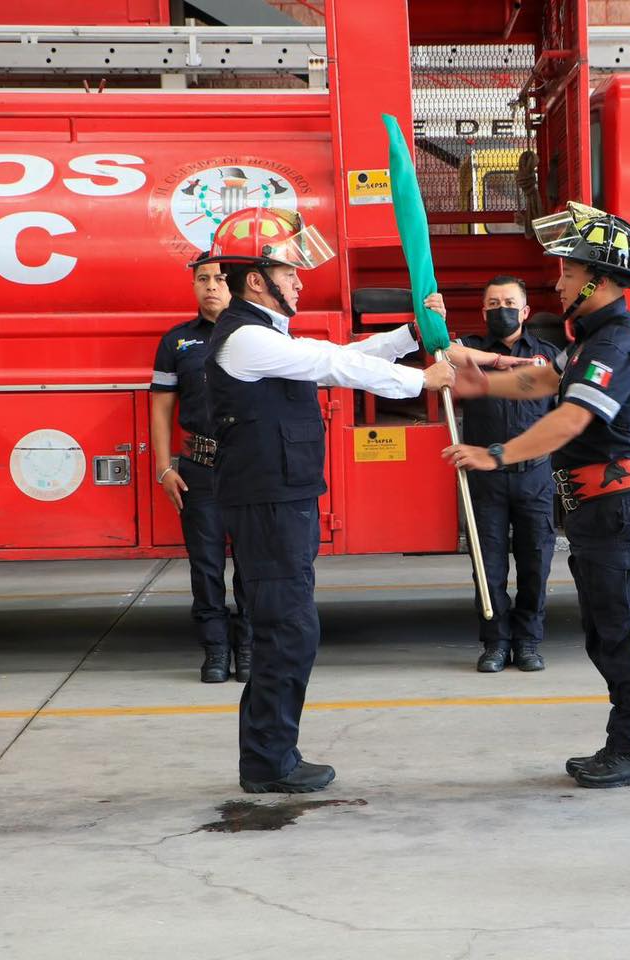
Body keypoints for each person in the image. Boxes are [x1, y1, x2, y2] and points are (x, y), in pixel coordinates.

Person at [196, 206, 455, 794]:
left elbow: (341, 352)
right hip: (268, 504)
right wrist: (421, 381)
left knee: (290, 627)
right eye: (290, 270)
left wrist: (411, 335)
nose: (300, 279)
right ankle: (268, 762)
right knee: (286, 629)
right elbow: (332, 363)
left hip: (282, 500)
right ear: (257, 279)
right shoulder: (247, 339)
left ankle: (273, 754)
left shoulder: (263, 334)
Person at [443, 202, 630, 788]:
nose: (558, 279)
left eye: (570, 271)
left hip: (615, 506)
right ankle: (627, 742)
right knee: (607, 629)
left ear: (602, 277)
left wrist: (496, 454)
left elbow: (569, 418)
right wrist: (481, 382)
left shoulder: (615, 343)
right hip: (597, 509)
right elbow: (544, 378)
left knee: (625, 628)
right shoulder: (590, 340)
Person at [427, 278, 561, 673]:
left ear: (525, 312)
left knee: (536, 563)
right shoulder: (469, 351)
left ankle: (529, 642)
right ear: (483, 311)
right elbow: (441, 351)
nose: (501, 309)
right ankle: (495, 644)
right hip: (484, 479)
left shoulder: (547, 356)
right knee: (488, 567)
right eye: (493, 303)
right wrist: (437, 320)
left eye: (509, 302)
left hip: (534, 475)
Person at [150, 259, 253, 684]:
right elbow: (161, 405)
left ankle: (248, 648)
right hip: (200, 469)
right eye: (202, 280)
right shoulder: (177, 342)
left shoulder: (254, 336)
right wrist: (163, 469)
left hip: (248, 466)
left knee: (252, 563)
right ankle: (214, 650)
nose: (211, 287)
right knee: (205, 564)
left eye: (220, 280)